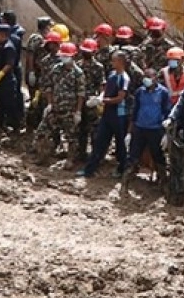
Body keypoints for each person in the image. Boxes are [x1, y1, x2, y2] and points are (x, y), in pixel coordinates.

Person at [79, 50, 132, 178]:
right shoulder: (112, 75)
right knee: (99, 142)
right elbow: (106, 90)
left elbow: (120, 98)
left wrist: (103, 101)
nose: (112, 63)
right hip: (108, 113)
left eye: (114, 60)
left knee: (120, 145)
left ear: (120, 62)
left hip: (119, 115)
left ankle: (122, 170)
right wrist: (99, 98)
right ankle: (89, 170)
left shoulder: (124, 78)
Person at [32, 41, 86, 164]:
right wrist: (50, 104)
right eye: (63, 56)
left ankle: (70, 160)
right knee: (42, 132)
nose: (63, 58)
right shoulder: (56, 69)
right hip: (55, 108)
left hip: (69, 110)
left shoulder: (78, 73)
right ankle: (43, 156)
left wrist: (78, 111)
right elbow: (49, 86)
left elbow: (80, 93)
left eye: (66, 56)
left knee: (71, 137)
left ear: (73, 57)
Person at [123, 70, 171, 188]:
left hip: (156, 129)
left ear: (155, 78)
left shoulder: (163, 93)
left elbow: (168, 113)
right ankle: (125, 183)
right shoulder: (140, 92)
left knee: (158, 156)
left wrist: (167, 134)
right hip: (140, 128)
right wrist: (129, 132)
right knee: (133, 156)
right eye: (145, 77)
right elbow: (134, 112)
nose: (146, 80)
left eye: (149, 77)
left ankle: (163, 182)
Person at [0, 23, 24, 133]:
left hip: (6, 82)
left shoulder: (9, 47)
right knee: (0, 105)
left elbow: (9, 65)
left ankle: (16, 127)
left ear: (2, 34)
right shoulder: (0, 45)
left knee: (9, 105)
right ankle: (1, 127)